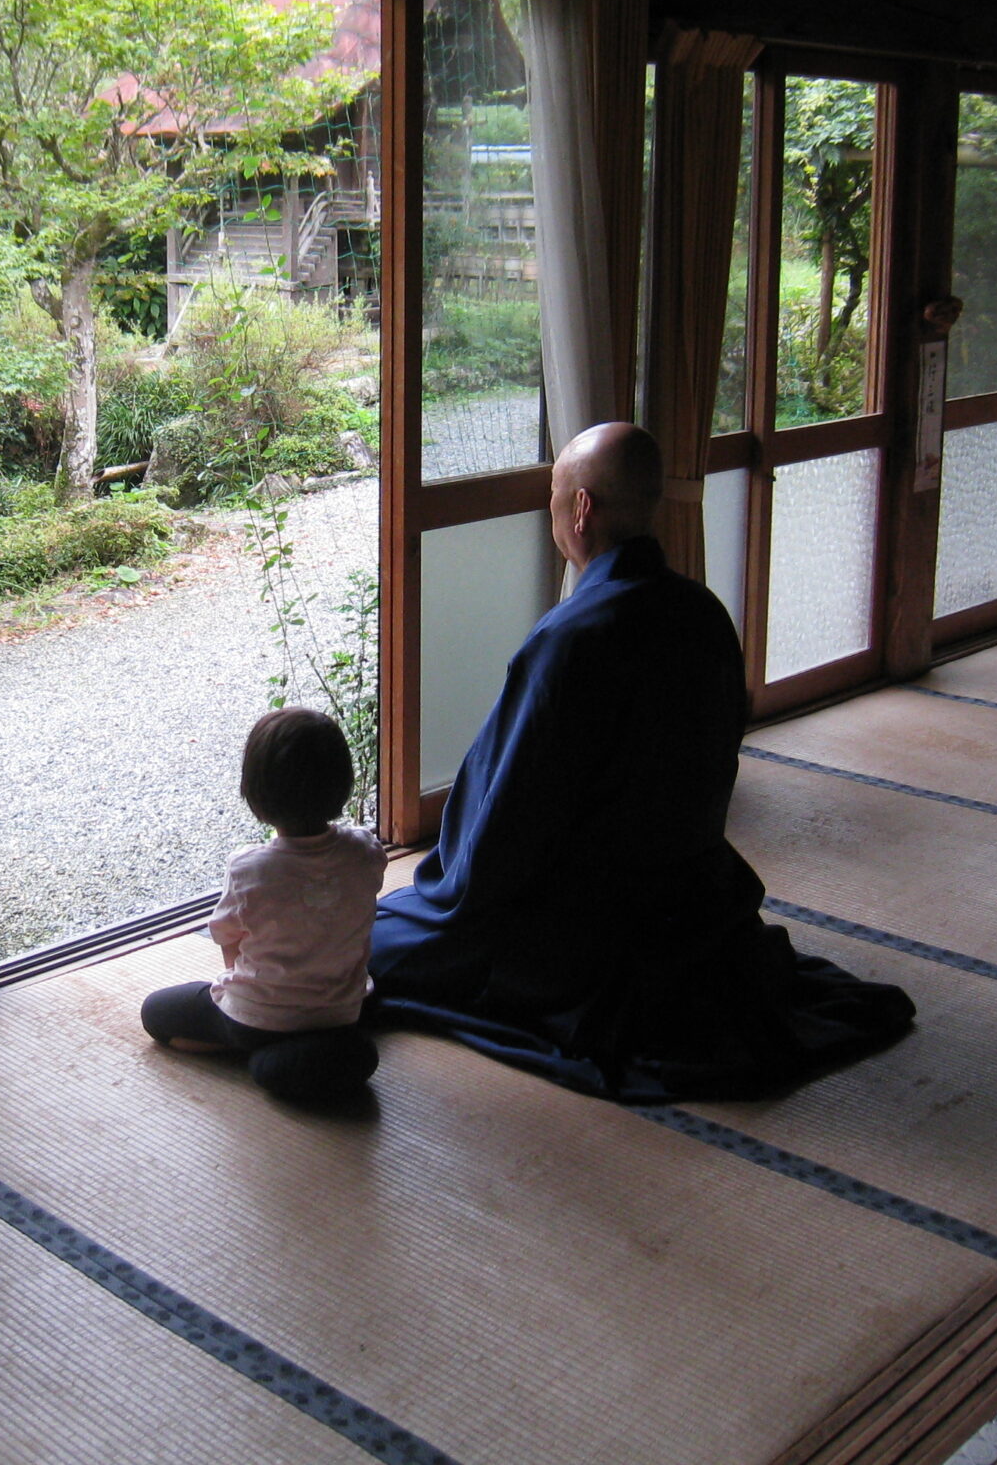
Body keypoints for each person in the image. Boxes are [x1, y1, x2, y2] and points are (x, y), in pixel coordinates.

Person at [370, 421, 915, 1102]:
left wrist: (451, 893)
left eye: (552, 497)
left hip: (586, 933)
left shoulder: (571, 641)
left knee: (377, 940)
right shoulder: (705, 614)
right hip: (693, 903)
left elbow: (503, 830)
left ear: (581, 510)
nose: (551, 514)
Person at [141, 706, 386, 1101]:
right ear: (343, 784)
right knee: (351, 1048)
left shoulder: (251, 869)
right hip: (342, 1011)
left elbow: (227, 941)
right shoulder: (366, 851)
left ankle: (245, 1046)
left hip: (257, 1016)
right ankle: (294, 1057)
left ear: (254, 793)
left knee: (156, 1012)